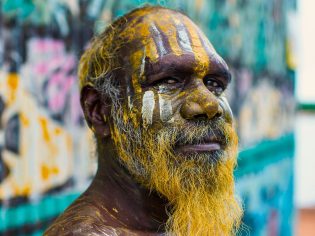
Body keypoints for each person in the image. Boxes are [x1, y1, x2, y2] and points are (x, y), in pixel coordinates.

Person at [45, 5, 243, 236]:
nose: (210, 106)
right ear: (98, 111)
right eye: (169, 80)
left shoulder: (177, 222)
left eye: (214, 84)